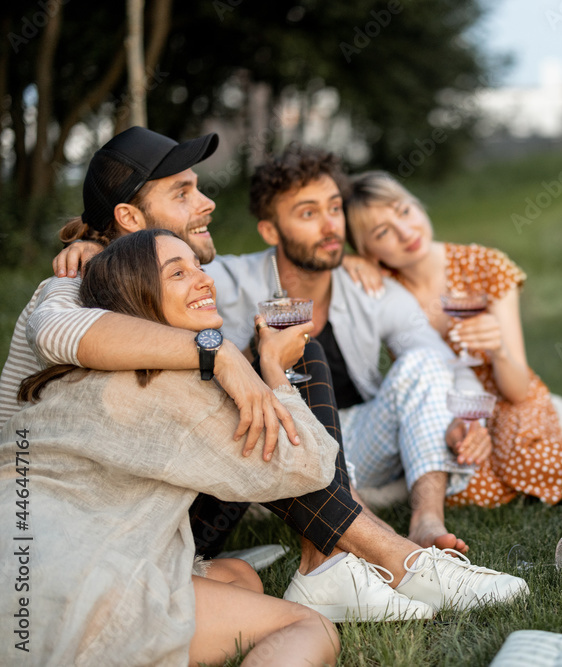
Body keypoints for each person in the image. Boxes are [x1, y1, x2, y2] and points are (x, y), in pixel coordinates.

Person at [2, 127, 527, 623]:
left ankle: (328, 562)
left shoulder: (161, 276)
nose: (206, 203)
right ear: (130, 218)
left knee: (298, 354)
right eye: (183, 193)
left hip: (160, 510)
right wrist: (222, 354)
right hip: (74, 528)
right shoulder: (75, 280)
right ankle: (399, 561)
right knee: (255, 396)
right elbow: (55, 332)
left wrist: (337, 273)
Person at [1, 229, 340, 666]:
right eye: (177, 272)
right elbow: (309, 466)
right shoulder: (179, 388)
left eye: (199, 268)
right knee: (310, 628)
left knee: (240, 578)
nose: (204, 280)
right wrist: (274, 369)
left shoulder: (59, 374)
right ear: (135, 294)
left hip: (19, 556)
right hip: (75, 587)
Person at [205, 145, 492, 554]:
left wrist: (467, 417)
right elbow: (148, 260)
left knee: (424, 361)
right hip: (277, 444)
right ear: (270, 231)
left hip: (358, 439)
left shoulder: (370, 289)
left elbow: (439, 358)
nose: (330, 226)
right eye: (308, 213)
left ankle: (427, 521)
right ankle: (361, 519)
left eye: (335, 208)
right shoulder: (228, 281)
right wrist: (88, 244)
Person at [343, 171, 562, 508]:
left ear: (417, 206)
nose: (406, 232)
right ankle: (543, 464)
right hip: (450, 410)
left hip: (508, 395)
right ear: (367, 250)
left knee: (522, 461)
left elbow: (518, 388)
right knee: (468, 489)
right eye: (382, 232)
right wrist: (349, 262)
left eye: (405, 211)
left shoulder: (485, 267)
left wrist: (496, 349)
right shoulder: (381, 287)